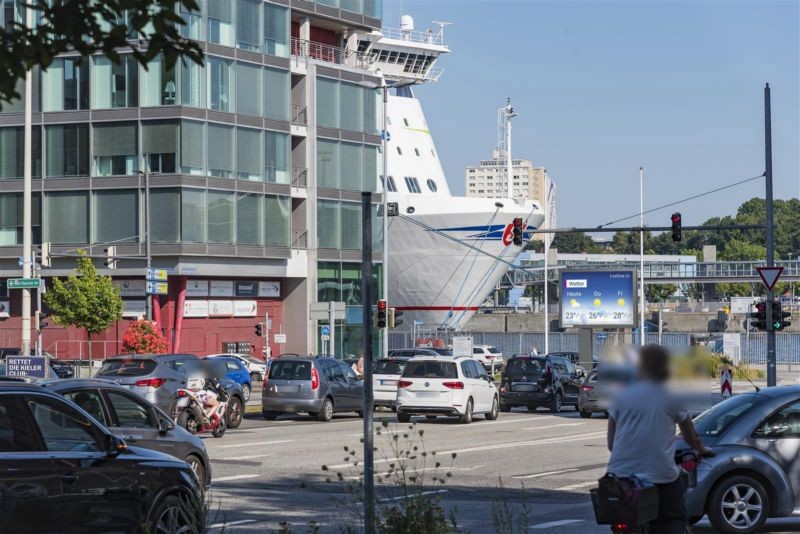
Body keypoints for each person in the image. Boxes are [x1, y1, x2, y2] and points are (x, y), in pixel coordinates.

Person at [606, 345, 714, 534]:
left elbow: (611, 443)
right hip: (660, 477)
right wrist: (702, 450)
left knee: (623, 523)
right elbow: (691, 436)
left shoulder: (621, 395)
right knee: (672, 518)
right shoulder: (670, 395)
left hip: (620, 477)